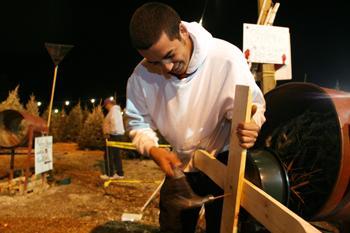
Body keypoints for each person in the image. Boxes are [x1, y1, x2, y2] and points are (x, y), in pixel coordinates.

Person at [126, 2, 266, 233]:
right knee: (172, 226)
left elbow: (253, 108)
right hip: (179, 164)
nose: (166, 68)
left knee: (225, 225)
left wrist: (251, 126)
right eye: (154, 62)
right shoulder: (140, 77)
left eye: (170, 55)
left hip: (223, 160)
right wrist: (153, 149)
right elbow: (137, 121)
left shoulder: (226, 58)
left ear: (182, 31)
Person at [100, 98, 125, 180]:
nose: (105, 107)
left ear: (109, 104)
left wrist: (109, 133)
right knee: (116, 155)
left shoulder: (114, 111)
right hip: (116, 135)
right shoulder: (115, 111)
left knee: (108, 155)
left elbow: (114, 123)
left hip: (113, 135)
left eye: (106, 105)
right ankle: (119, 173)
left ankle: (109, 174)